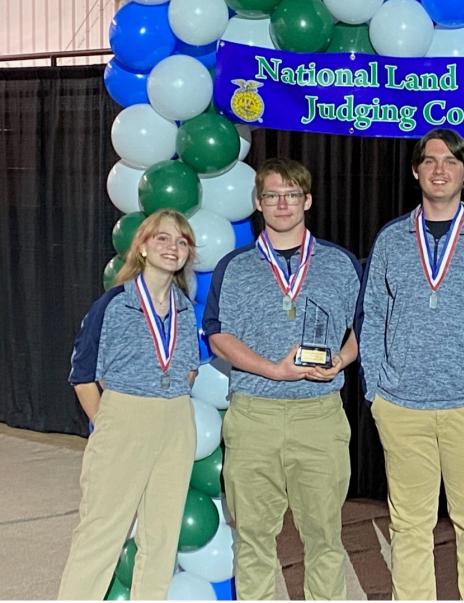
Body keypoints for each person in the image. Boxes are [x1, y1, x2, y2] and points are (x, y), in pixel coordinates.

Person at [357, 128, 464, 600]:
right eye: (429, 160)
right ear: (415, 170)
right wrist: (375, 391)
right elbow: (373, 315)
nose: (439, 169)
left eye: (450, 162)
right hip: (401, 406)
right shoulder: (392, 238)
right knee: (409, 524)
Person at [203, 158, 361, 600]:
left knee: (325, 539)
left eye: (291, 195)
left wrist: (342, 361)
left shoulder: (340, 263)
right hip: (255, 415)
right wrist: (273, 369)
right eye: (271, 195)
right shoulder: (234, 266)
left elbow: (363, 329)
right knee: (253, 540)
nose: (282, 204)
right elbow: (218, 336)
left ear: (307, 201)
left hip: (320, 416)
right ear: (258, 202)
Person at [59, 209, 199, 600]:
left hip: (176, 419)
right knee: (101, 531)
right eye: (163, 239)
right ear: (141, 246)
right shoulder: (113, 305)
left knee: (162, 536)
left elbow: (188, 369)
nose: (173, 248)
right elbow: (83, 375)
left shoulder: (185, 309)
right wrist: (109, 422)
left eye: (182, 241)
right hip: (124, 417)